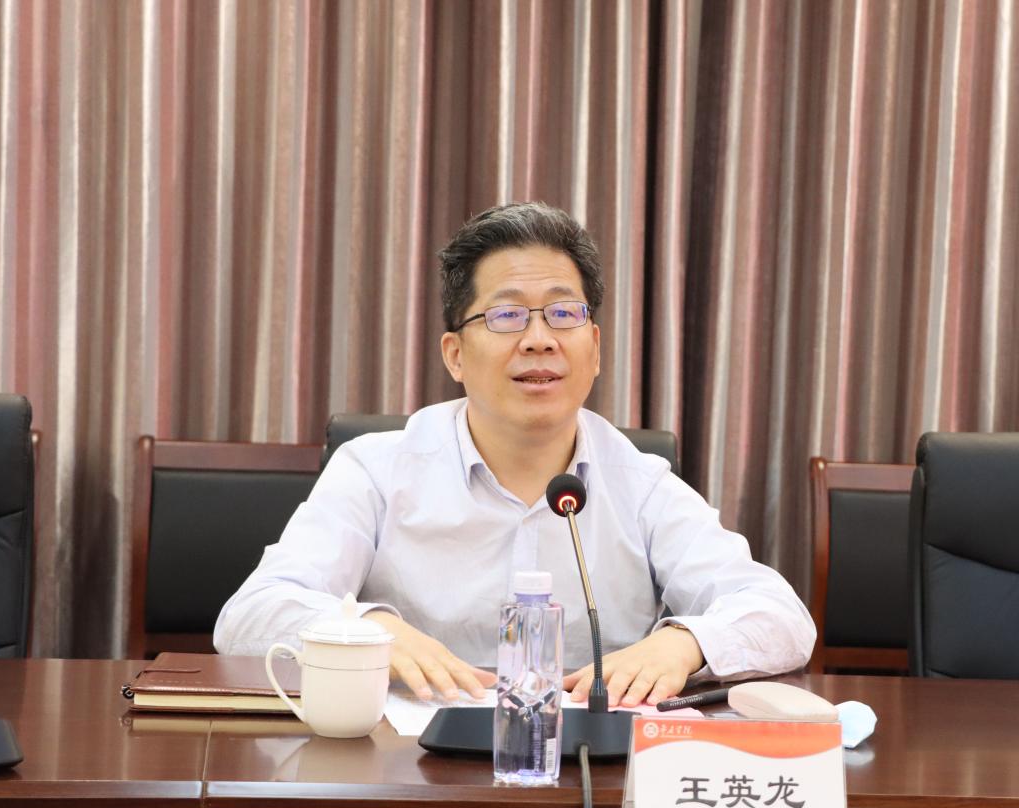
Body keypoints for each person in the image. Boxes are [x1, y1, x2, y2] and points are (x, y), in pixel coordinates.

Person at [214, 202, 815, 707]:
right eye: (505, 315)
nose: (539, 339)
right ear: (455, 355)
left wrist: (684, 644)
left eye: (563, 313)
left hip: (588, 773)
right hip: (407, 771)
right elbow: (251, 614)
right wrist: (368, 630)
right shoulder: (375, 470)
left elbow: (781, 617)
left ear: (594, 347)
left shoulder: (640, 484)